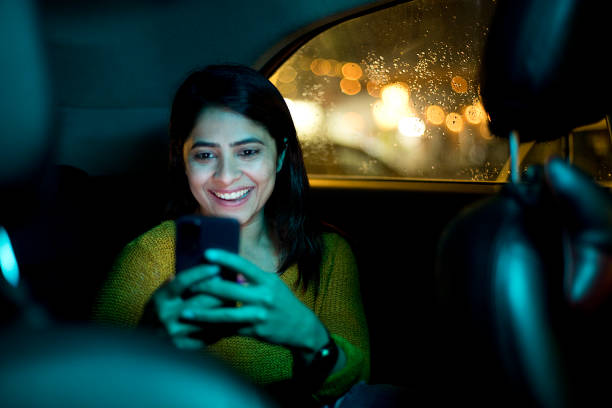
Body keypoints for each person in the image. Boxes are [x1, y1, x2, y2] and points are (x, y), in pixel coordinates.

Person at [93, 64, 370, 407]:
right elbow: (89, 387)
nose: (226, 177)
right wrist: (149, 347)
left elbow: (359, 391)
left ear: (281, 155)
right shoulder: (148, 255)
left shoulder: (328, 254)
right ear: (182, 160)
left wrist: (310, 337)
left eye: (248, 152)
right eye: (206, 155)